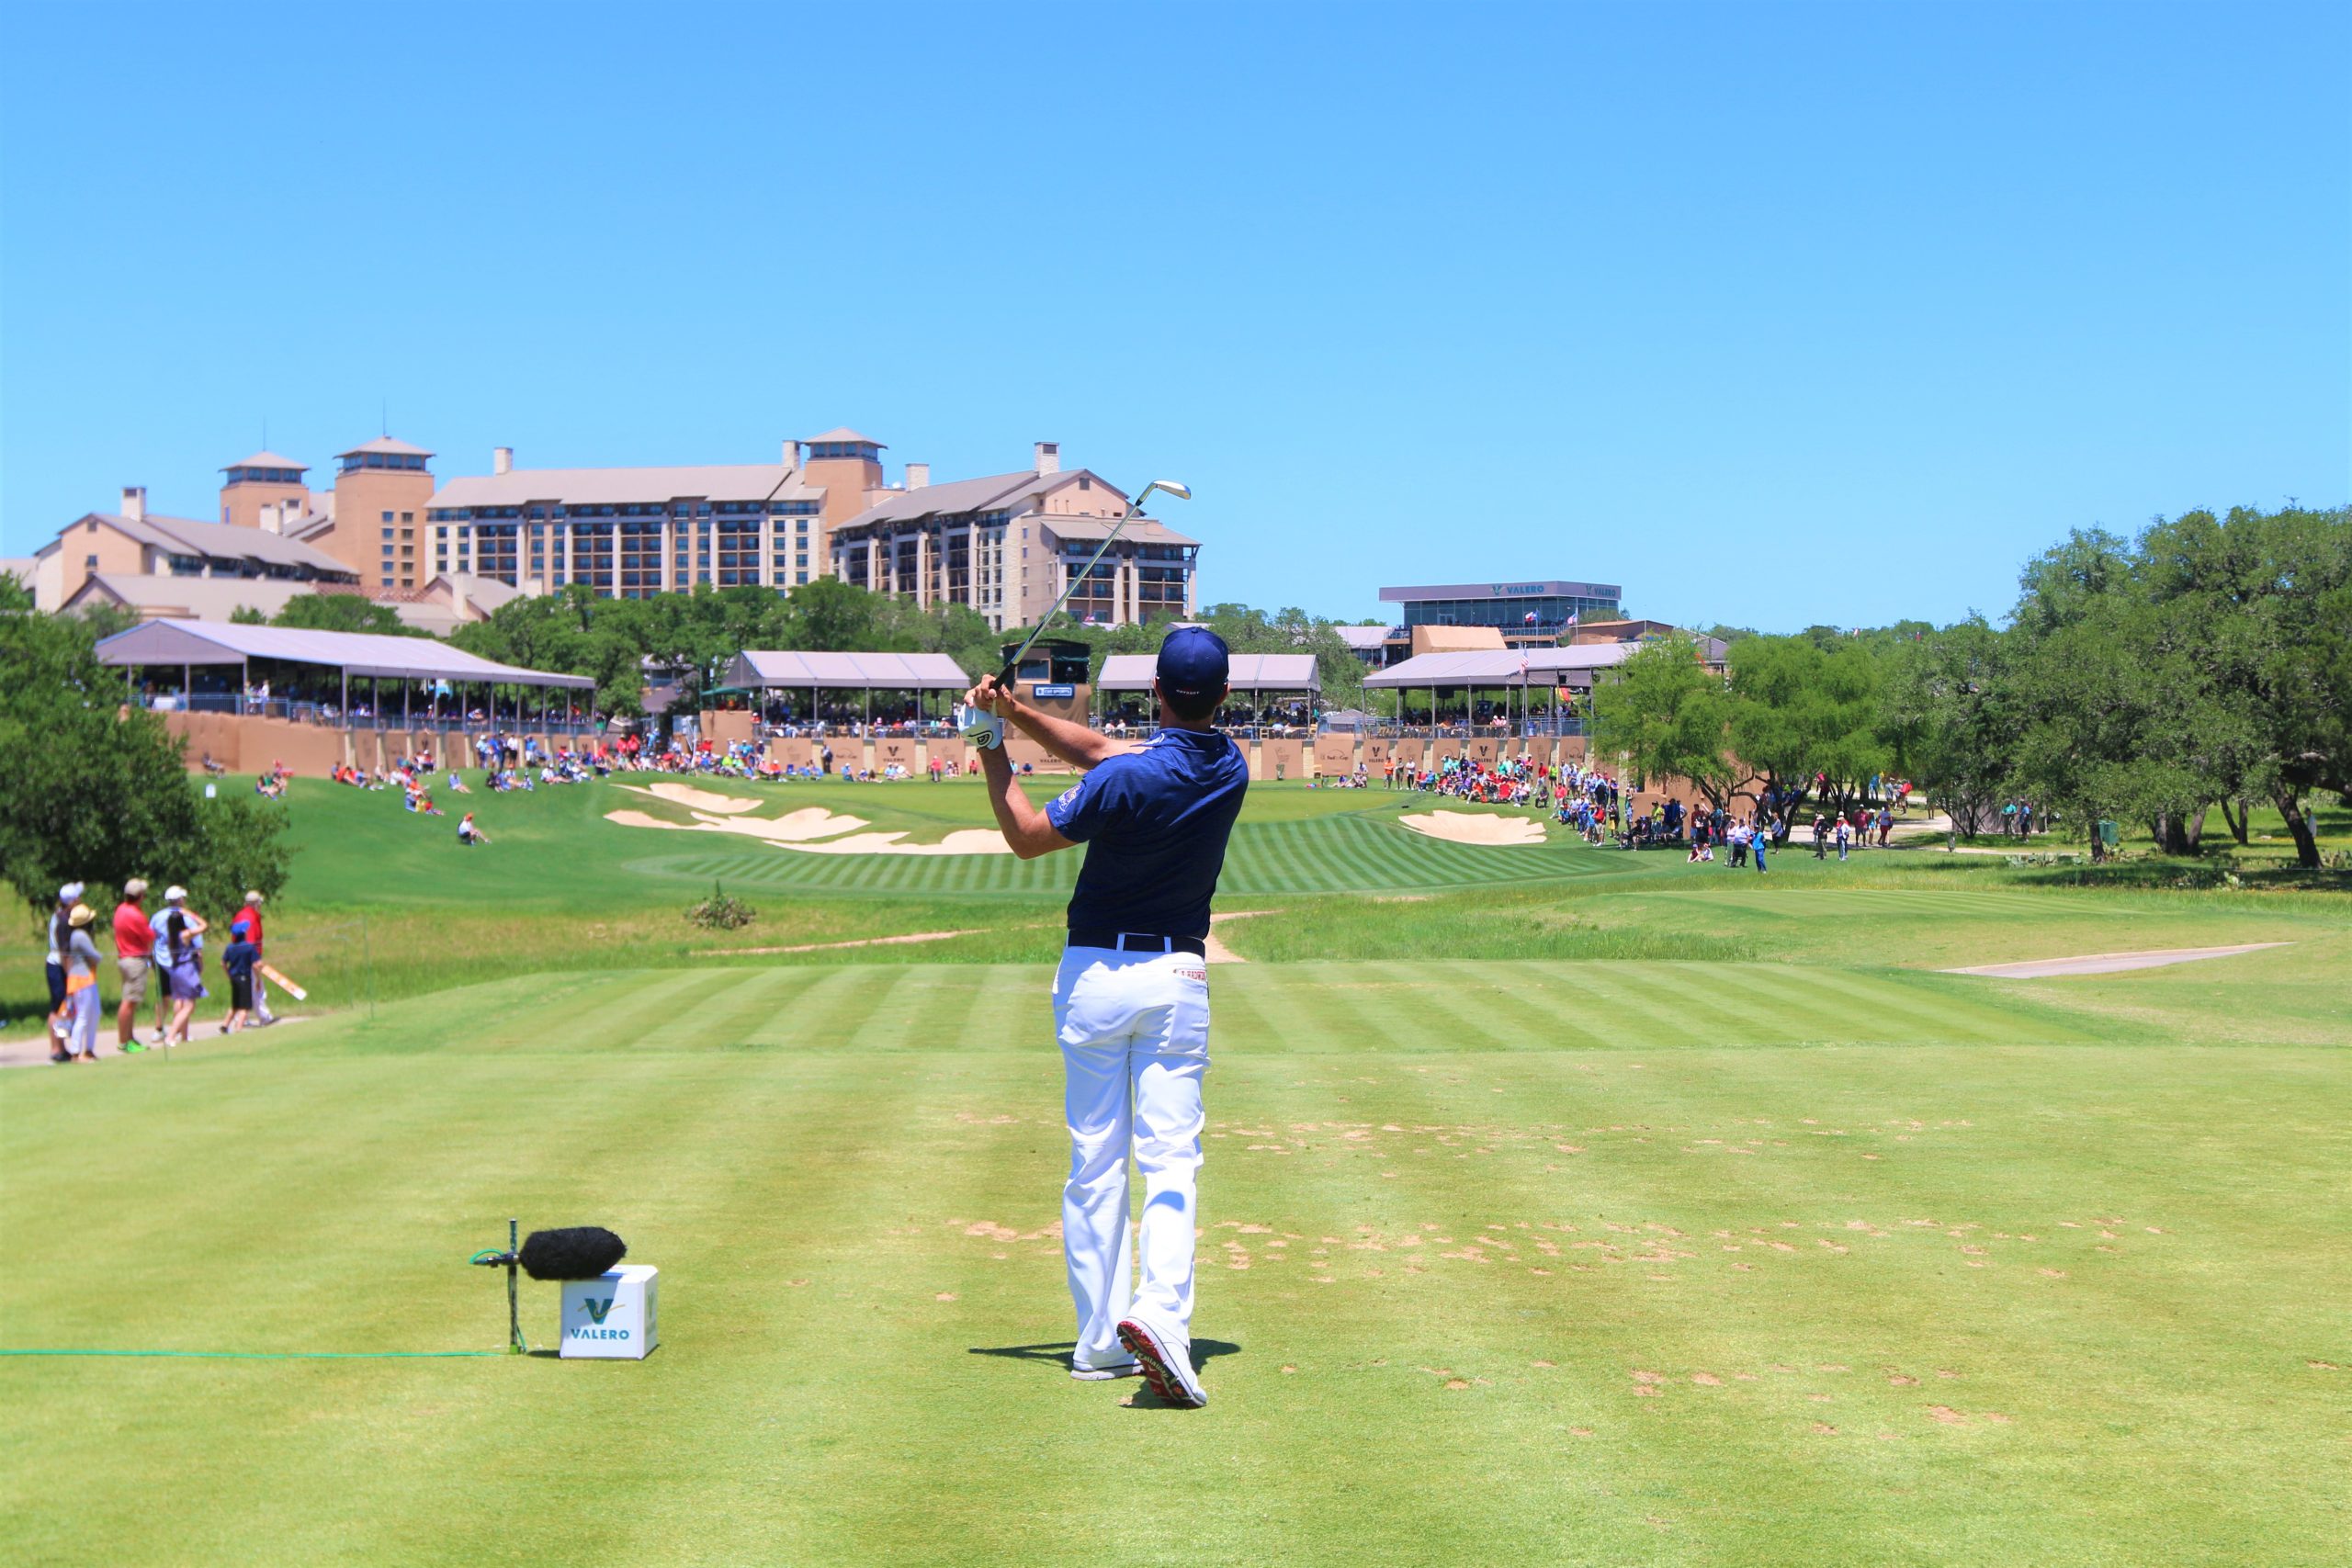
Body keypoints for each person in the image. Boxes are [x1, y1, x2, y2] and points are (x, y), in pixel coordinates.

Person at [963, 626, 1247, 1410]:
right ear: (1222, 697)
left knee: (1096, 1160)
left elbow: (1026, 836)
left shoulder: (1124, 781)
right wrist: (1015, 710)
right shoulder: (1230, 765)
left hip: (1094, 977)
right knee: (1171, 1158)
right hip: (1179, 977)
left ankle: (1097, 1341)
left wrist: (991, 742)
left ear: (1155, 689)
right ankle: (1160, 1316)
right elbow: (1099, 749)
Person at [154, 886, 209, 1047]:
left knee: (179, 1000)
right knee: (189, 1004)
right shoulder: (185, 934)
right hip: (186, 968)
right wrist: (190, 914)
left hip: (171, 966)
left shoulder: (164, 926)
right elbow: (204, 926)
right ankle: (171, 1035)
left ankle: (183, 1035)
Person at [42, 882, 83, 1063]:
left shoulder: (59, 914)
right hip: (59, 965)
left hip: (58, 963)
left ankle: (61, 1047)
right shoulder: (64, 919)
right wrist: (70, 975)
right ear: (73, 901)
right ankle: (56, 1048)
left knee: (60, 1006)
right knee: (58, 1006)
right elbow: (65, 951)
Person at [113, 878, 154, 1052]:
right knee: (129, 1001)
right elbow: (149, 937)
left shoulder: (121, 910)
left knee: (131, 1000)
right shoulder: (136, 915)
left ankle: (129, 1037)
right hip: (135, 960)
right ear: (140, 896)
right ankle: (124, 1042)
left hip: (125, 958)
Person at [60, 902, 104, 1061]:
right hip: (81, 979)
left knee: (95, 1013)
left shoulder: (78, 935)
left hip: (87, 978)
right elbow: (95, 956)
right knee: (84, 1016)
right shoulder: (80, 936)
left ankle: (89, 1050)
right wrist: (100, 956)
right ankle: (76, 1052)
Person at [238, 891, 275, 1026]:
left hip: (238, 957)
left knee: (248, 989)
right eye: (260, 903)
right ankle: (264, 1017)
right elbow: (250, 942)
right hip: (249, 958)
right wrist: (255, 961)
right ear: (256, 903)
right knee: (257, 988)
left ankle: (241, 1018)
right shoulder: (252, 918)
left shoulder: (241, 915)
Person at [221, 919, 259, 1033]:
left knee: (235, 1004)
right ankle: (238, 1028)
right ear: (244, 934)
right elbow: (256, 965)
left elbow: (223, 963)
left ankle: (224, 1025)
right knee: (245, 1006)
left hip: (234, 977)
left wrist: (228, 974)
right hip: (244, 977)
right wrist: (258, 979)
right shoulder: (249, 947)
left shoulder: (230, 947)